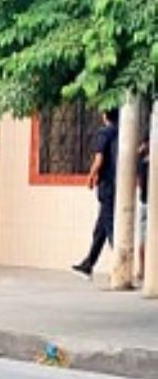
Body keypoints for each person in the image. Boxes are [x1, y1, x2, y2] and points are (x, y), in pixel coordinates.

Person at [73, 108, 119, 279]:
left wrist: (90, 176)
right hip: (118, 186)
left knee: (109, 228)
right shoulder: (122, 133)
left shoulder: (104, 133)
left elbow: (99, 160)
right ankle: (88, 264)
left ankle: (121, 265)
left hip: (107, 185)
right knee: (100, 229)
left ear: (105, 116)